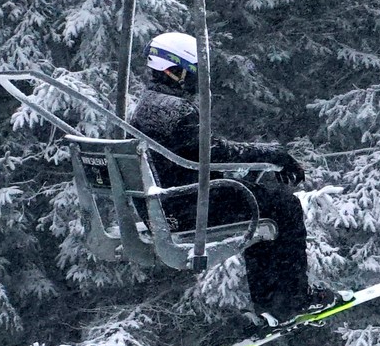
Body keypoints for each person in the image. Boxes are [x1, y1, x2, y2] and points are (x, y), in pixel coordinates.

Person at [129, 31, 345, 320]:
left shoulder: (149, 106)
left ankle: (272, 305)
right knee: (283, 206)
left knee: (263, 204)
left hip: (171, 203)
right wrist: (273, 155)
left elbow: (201, 154)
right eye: (195, 73)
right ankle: (289, 300)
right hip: (189, 208)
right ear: (175, 70)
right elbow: (217, 152)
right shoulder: (175, 112)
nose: (198, 83)